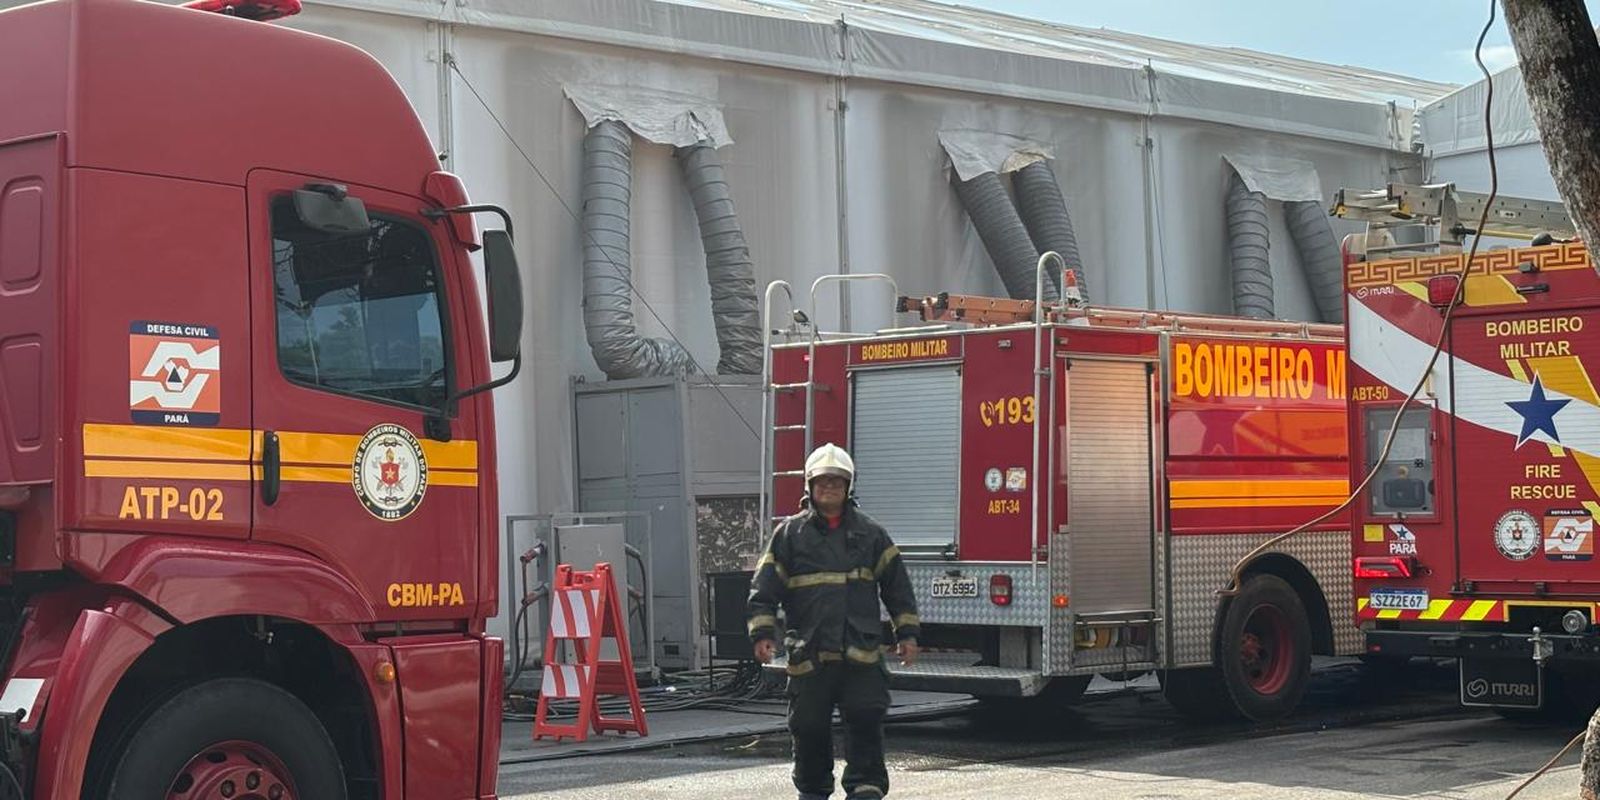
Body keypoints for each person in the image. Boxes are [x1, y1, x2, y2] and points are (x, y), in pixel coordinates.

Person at [747, 443, 921, 800]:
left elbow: (897, 586)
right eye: (823, 482)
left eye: (837, 482)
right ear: (809, 486)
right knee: (808, 727)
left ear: (849, 486)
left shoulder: (872, 534)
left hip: (861, 655)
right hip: (809, 654)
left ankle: (865, 787)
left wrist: (907, 633)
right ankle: (813, 791)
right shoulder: (789, 535)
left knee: (866, 719)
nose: (830, 488)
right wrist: (763, 632)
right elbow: (765, 587)